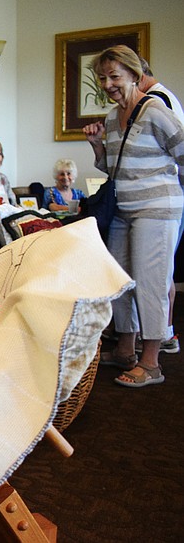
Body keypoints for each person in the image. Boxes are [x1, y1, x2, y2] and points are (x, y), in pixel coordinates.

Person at [82, 45, 184, 388]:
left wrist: (172, 189)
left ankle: (151, 362)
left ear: (134, 75)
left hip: (157, 209)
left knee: (151, 282)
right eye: (102, 77)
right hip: (123, 209)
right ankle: (125, 349)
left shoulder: (155, 109)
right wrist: (97, 146)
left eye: (115, 76)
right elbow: (112, 167)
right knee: (120, 279)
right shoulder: (112, 118)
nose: (108, 83)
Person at [136, 57, 184, 355]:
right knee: (162, 271)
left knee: (155, 273)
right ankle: (164, 332)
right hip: (168, 198)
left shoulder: (154, 103)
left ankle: (162, 337)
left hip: (159, 201)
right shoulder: (166, 98)